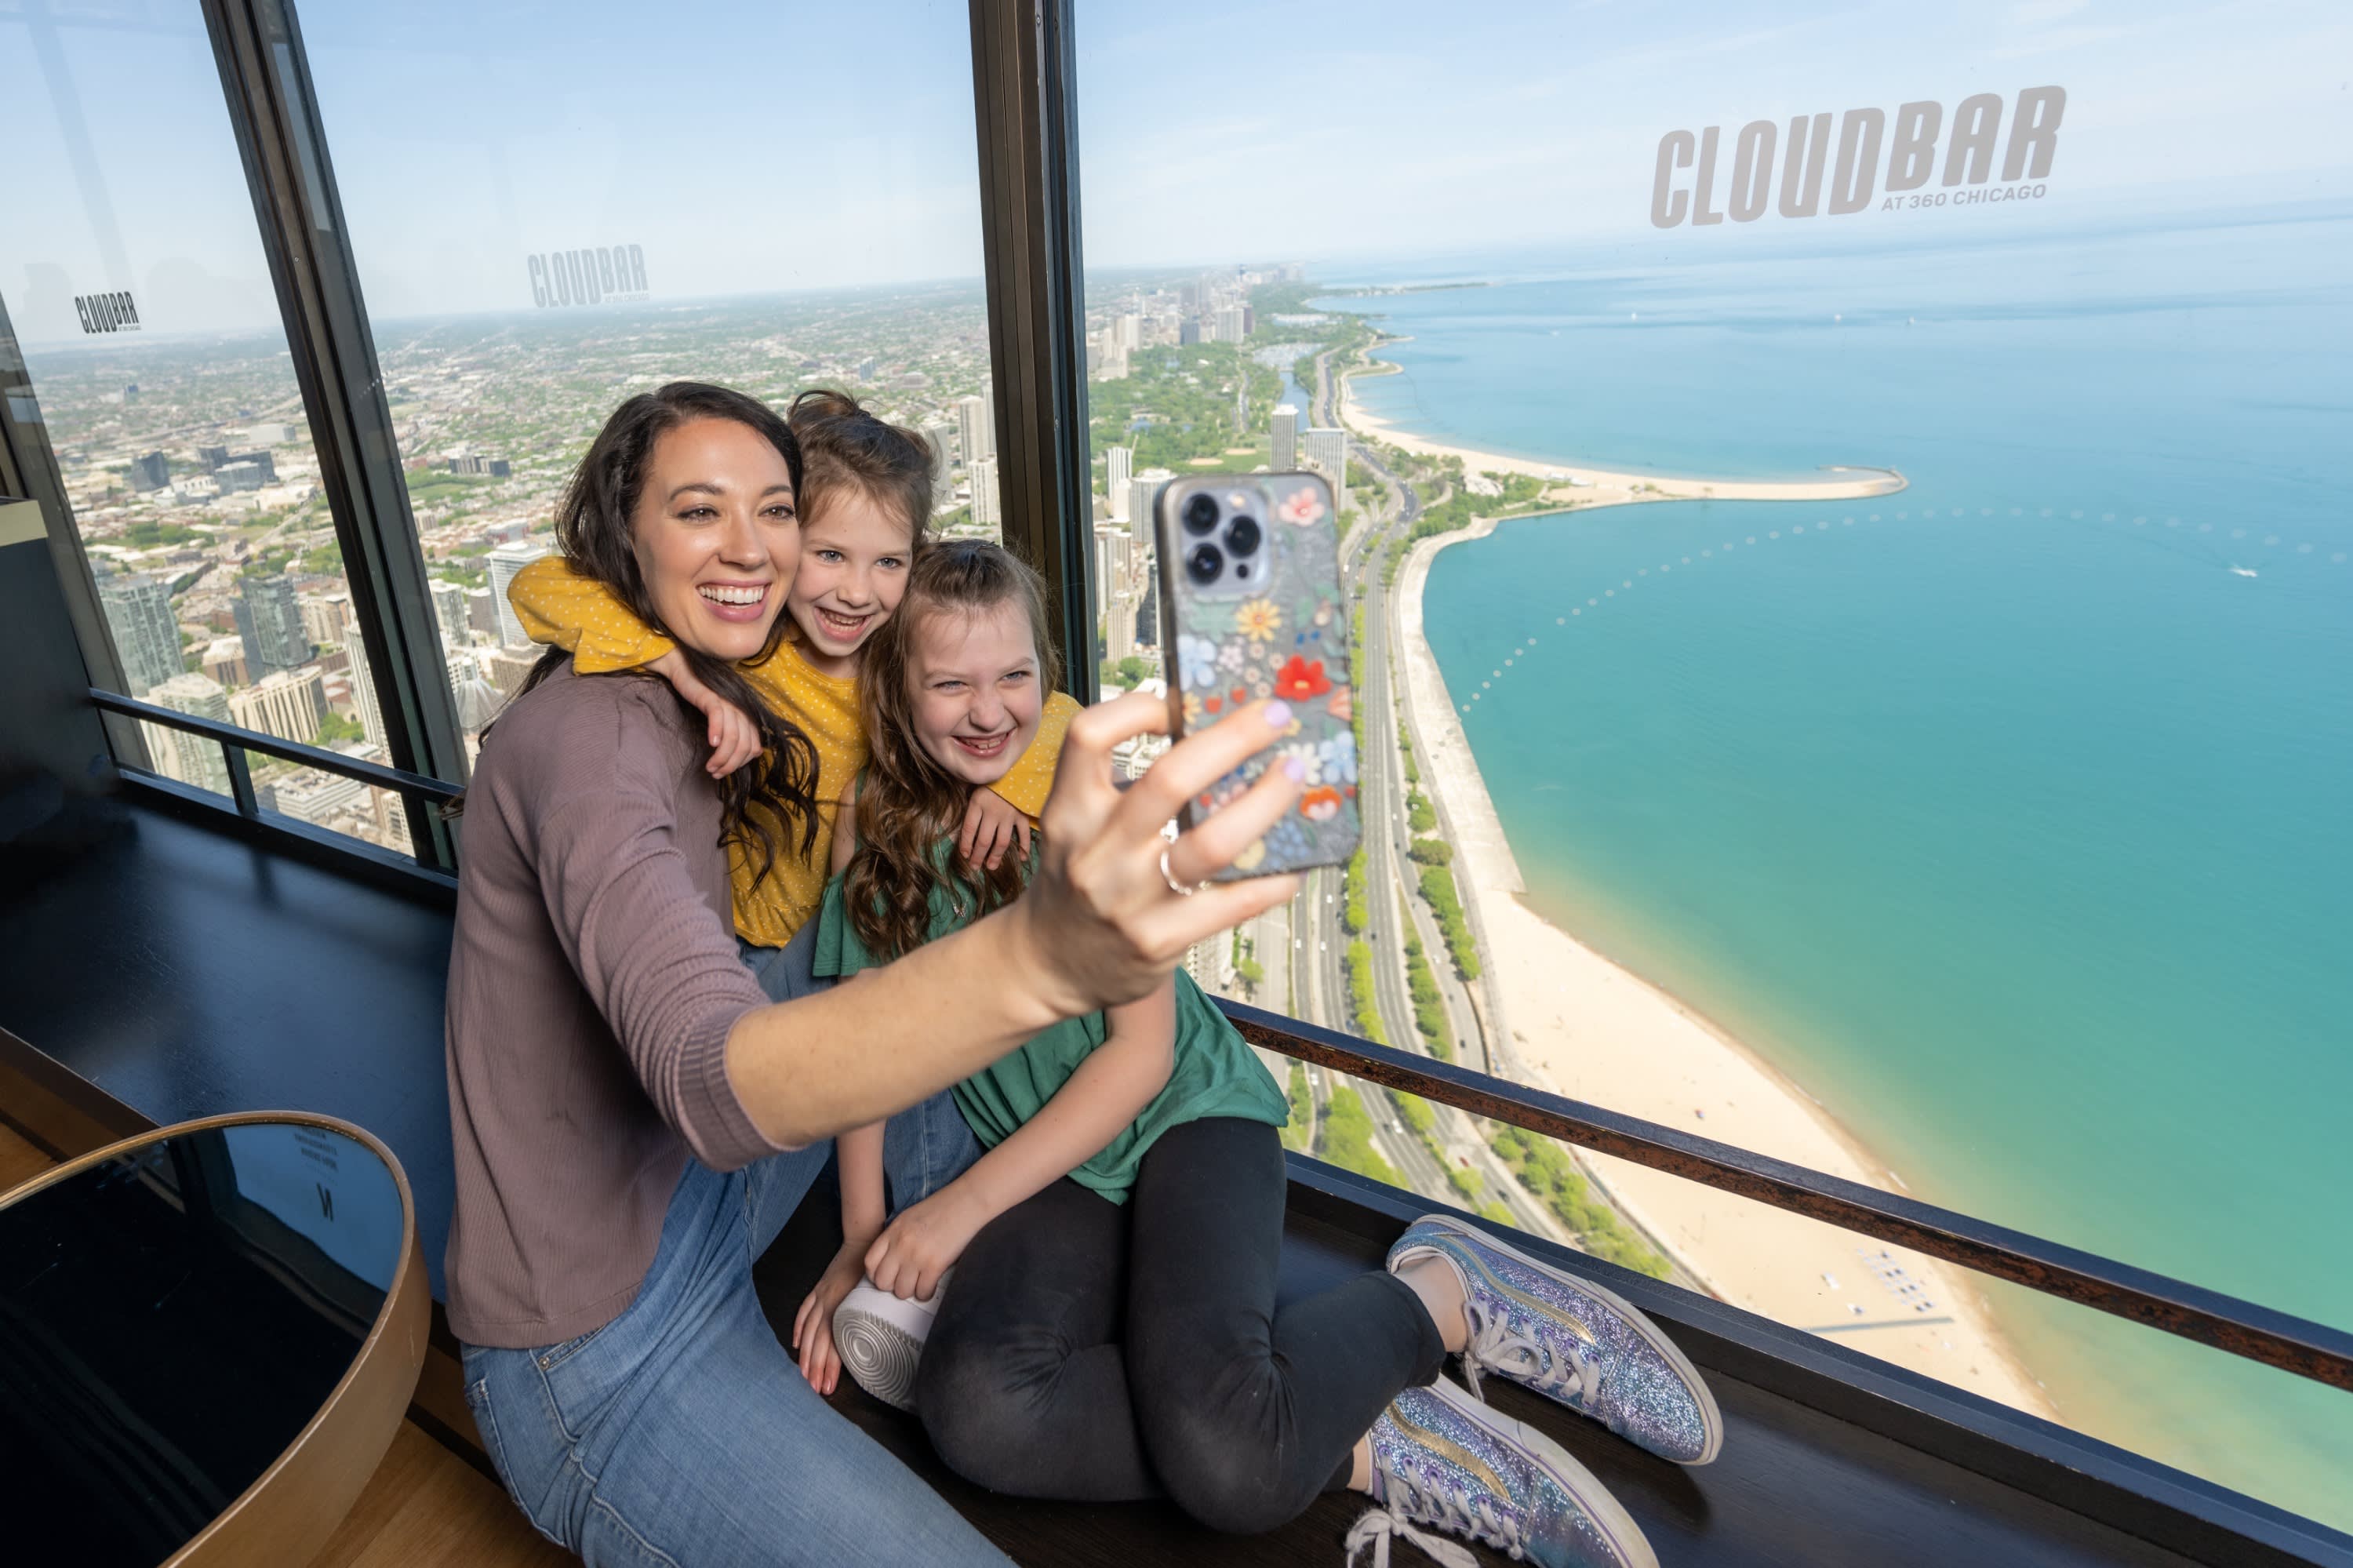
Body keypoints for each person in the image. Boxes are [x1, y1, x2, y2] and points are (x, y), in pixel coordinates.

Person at [443, 382, 1304, 1566]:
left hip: (705, 1191)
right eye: (699, 511)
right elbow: (704, 1072)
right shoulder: (592, 740)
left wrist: (1013, 791)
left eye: (774, 512)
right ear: (622, 533)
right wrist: (1040, 959)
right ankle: (1249, 1411)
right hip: (603, 1333)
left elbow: (1002, 698)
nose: (751, 548)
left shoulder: (783, 677)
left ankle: (1209, 1391)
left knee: (885, 906)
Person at [798, 540, 1725, 1568]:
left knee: (1234, 1467)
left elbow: (1139, 1060)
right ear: (897, 687)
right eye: (950, 684)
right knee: (975, 1413)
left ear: (1045, 674)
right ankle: (1355, 1434)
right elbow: (862, 1040)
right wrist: (861, 1232)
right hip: (1049, 1167)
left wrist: (959, 1207)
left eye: (1013, 675)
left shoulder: (1079, 816)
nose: (987, 710)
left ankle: (1445, 1296)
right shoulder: (869, 826)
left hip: (1185, 1118)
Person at [505, 387, 1068, 998]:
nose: (857, 592)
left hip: (883, 926)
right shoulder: (747, 649)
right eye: (829, 554)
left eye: (888, 562)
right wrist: (674, 663)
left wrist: (1010, 788)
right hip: (768, 948)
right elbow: (537, 585)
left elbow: (1055, 709)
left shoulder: (910, 650)